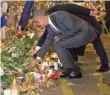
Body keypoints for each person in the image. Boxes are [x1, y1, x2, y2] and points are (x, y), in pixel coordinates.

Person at [30, 4, 109, 72]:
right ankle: (73, 66)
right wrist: (37, 50)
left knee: (96, 42)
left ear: (43, 17)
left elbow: (73, 7)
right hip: (77, 28)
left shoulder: (58, 11)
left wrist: (88, 11)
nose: (39, 24)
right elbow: (47, 37)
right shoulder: (50, 22)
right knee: (69, 42)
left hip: (88, 23)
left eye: (38, 21)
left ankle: (105, 64)